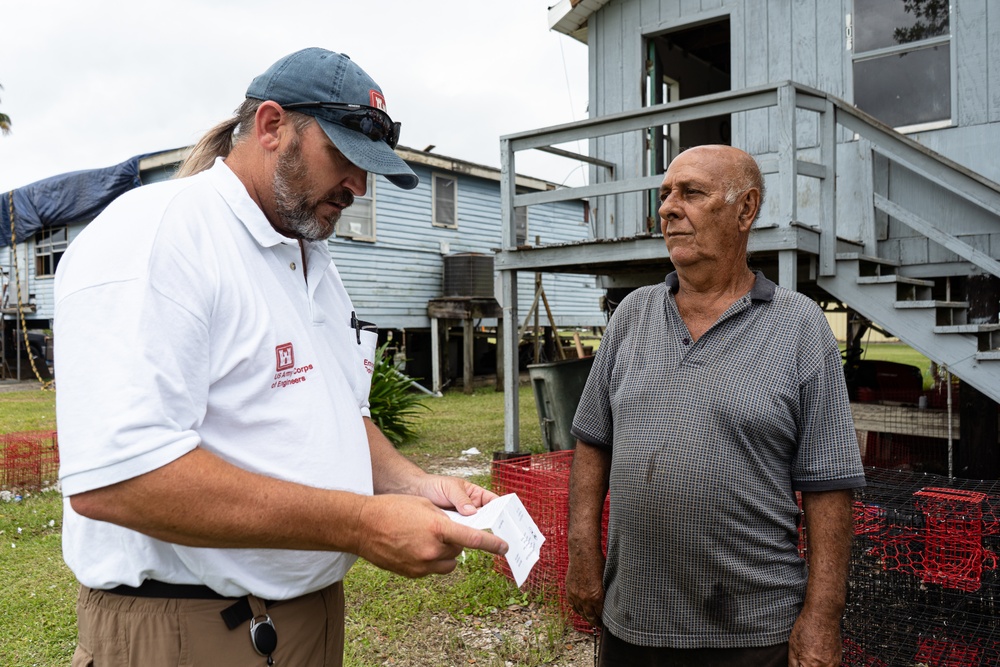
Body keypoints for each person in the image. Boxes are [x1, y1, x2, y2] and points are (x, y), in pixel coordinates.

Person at [54, 47, 507, 667]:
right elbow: (121, 480)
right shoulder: (158, 235)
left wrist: (418, 485)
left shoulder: (310, 260)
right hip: (189, 631)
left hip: (304, 621)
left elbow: (341, 415)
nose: (359, 185)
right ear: (271, 127)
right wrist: (360, 524)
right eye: (344, 157)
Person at [565, 145, 864, 667]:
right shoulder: (632, 315)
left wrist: (822, 615)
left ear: (745, 210)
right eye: (664, 195)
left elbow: (829, 483)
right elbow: (594, 442)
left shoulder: (799, 326)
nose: (667, 208)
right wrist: (582, 552)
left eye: (691, 193)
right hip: (633, 620)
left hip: (753, 634)